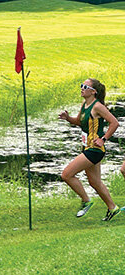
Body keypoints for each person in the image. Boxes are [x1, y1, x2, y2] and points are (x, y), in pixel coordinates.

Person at [58, 78, 120, 221]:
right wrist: (68, 118)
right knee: (95, 182)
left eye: (85, 87)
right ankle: (113, 208)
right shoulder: (85, 104)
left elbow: (114, 123)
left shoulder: (98, 107)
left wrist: (103, 138)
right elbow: (79, 122)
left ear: (93, 92)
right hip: (87, 147)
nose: (82, 88)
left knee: (67, 175)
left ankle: (86, 201)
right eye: (81, 86)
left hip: (95, 149)